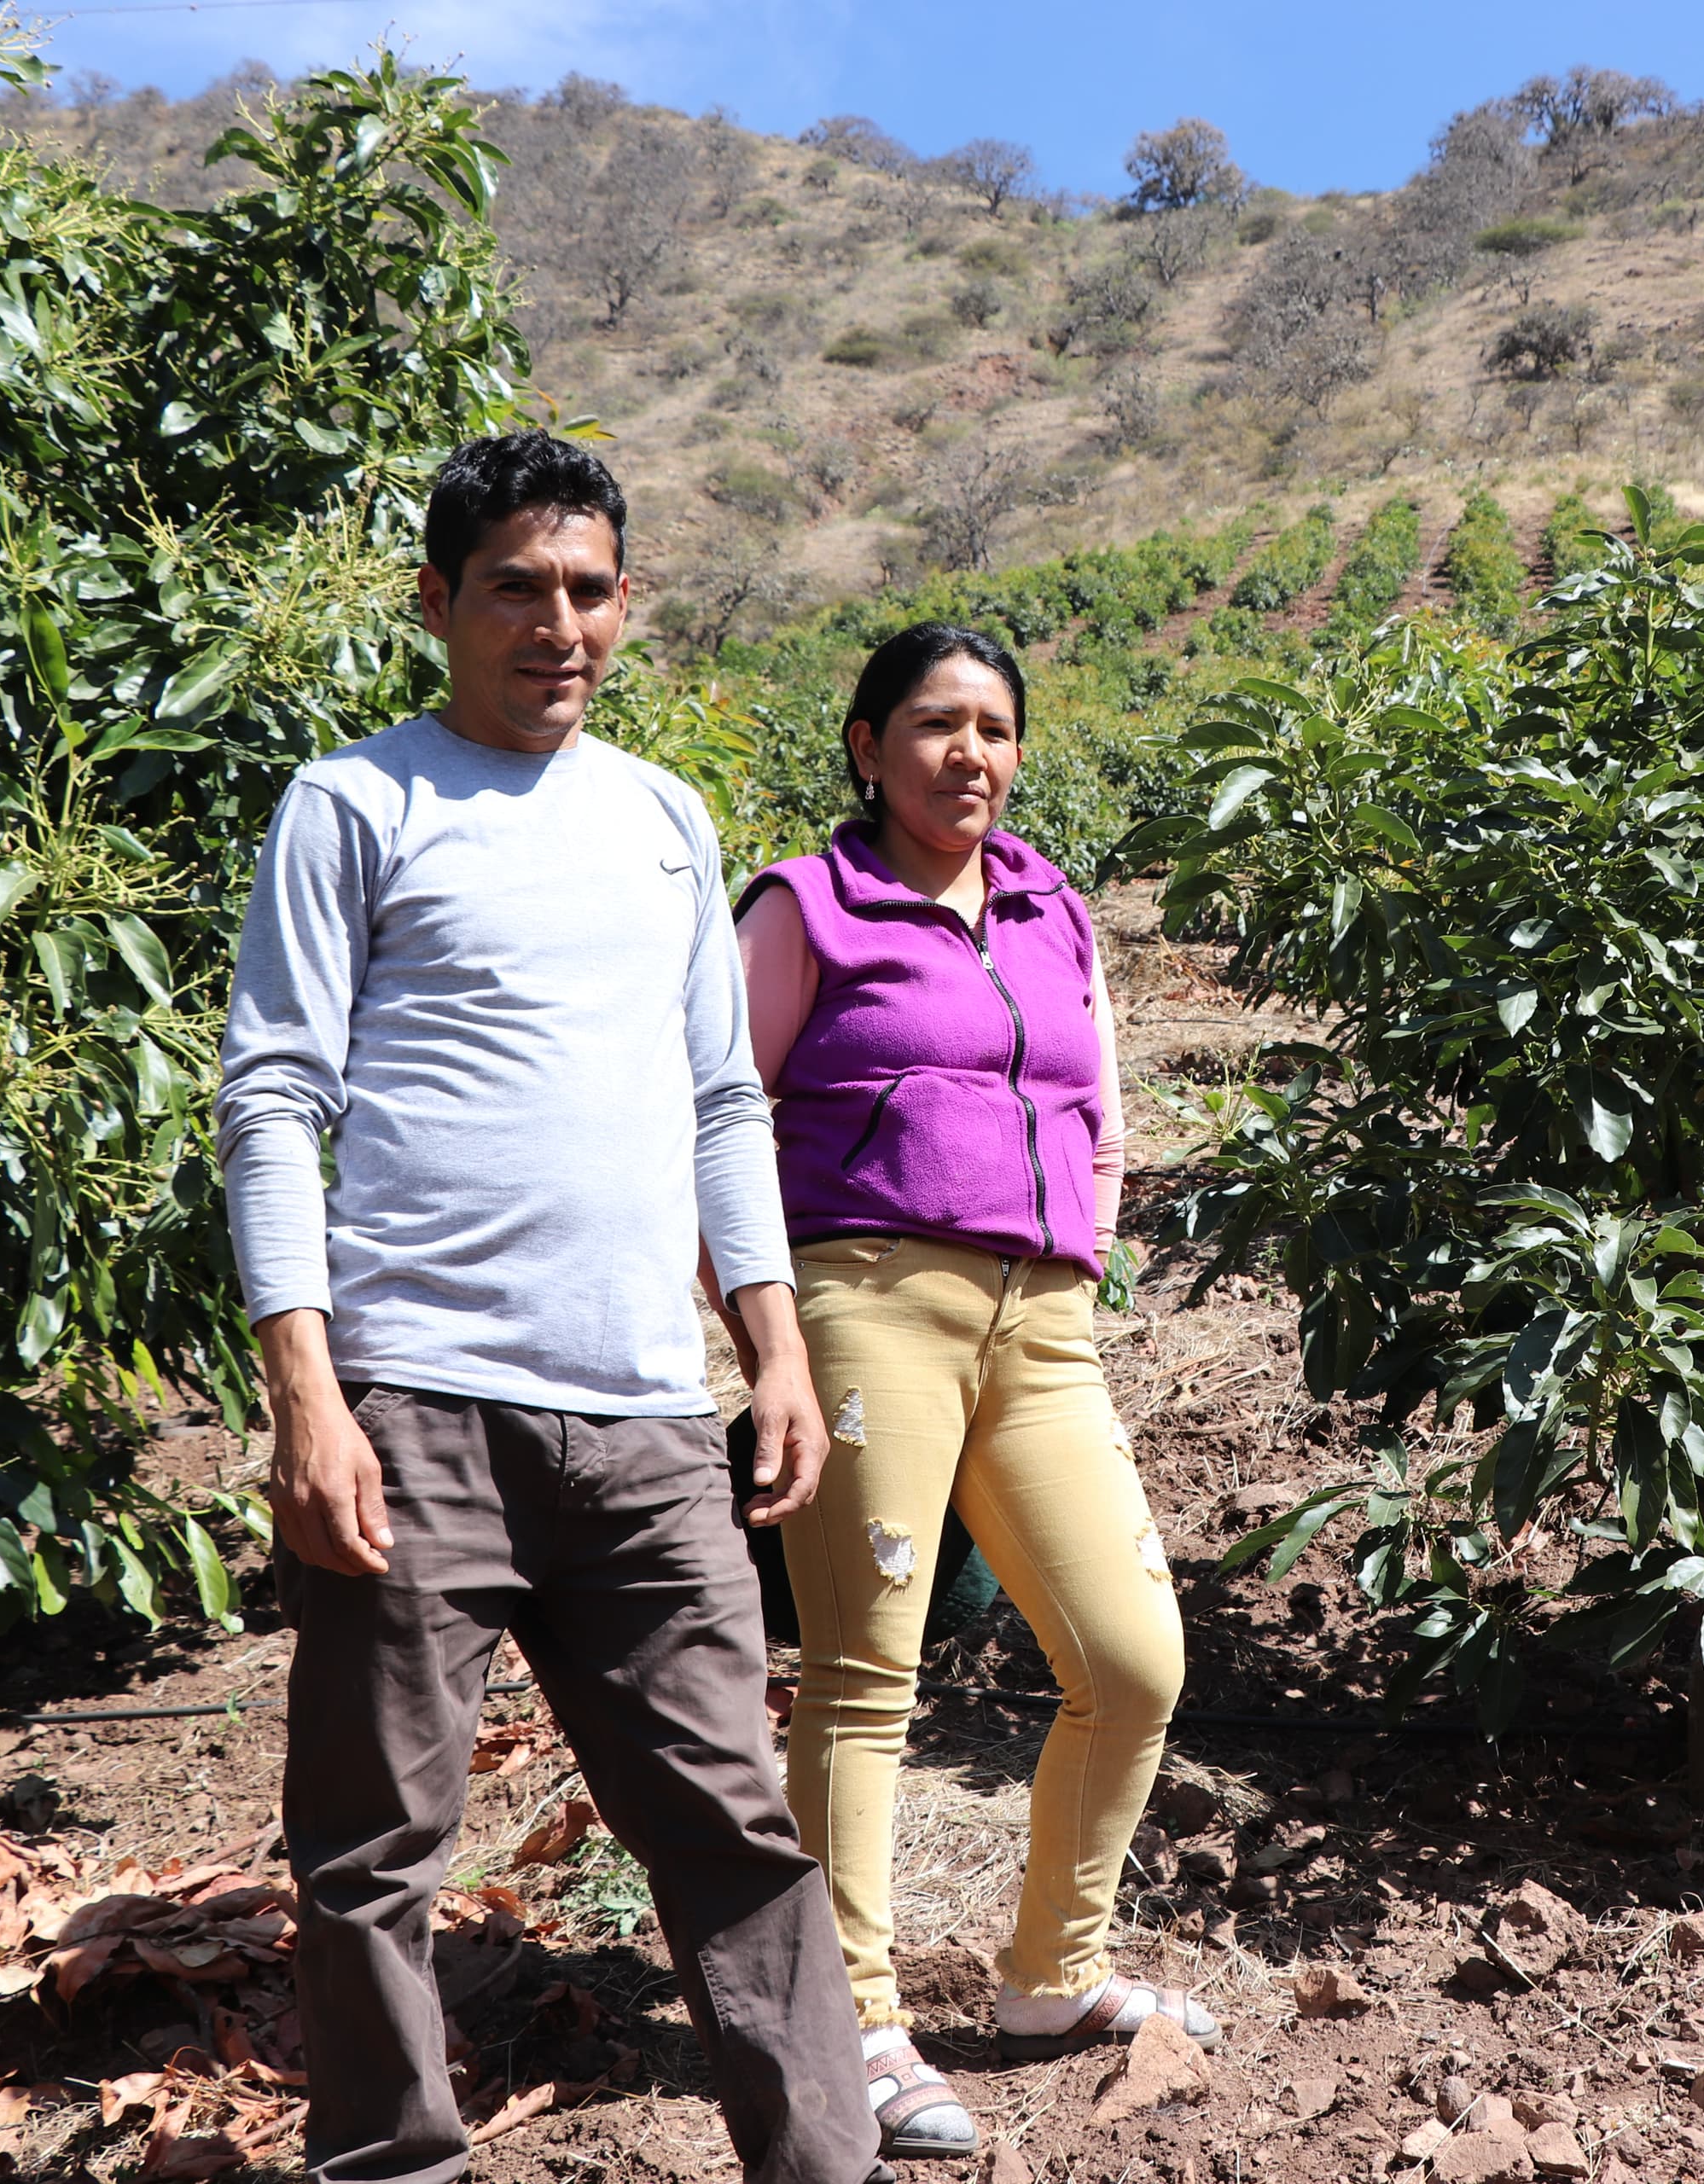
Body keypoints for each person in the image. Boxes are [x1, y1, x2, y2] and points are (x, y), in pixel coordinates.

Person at [216, 431, 888, 2184]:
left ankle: (823, 2163)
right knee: (372, 1853)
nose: (559, 623)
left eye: (590, 588)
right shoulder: (355, 804)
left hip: (645, 1417)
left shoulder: (664, 816)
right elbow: (274, 1098)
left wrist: (777, 1343)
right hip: (416, 1405)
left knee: (739, 1826)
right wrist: (308, 1391)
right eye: (517, 586)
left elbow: (723, 1102)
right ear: (438, 603)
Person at [730, 624, 1205, 2159]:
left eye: (995, 729)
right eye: (935, 725)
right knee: (868, 1673)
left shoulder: (1051, 906)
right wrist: (772, 1341)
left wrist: (1087, 1248)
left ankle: (1051, 1979)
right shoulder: (810, 904)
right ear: (867, 745)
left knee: (1133, 1661)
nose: (970, 756)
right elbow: (720, 1119)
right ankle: (852, 2021)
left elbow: (1099, 1107)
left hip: (1044, 1317)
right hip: (869, 1302)